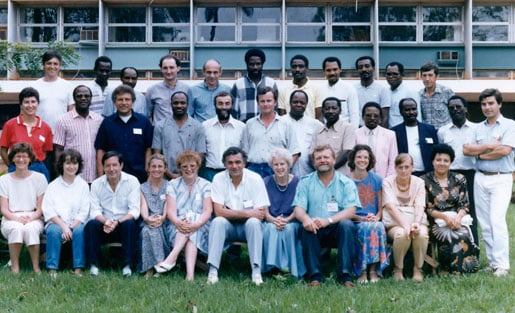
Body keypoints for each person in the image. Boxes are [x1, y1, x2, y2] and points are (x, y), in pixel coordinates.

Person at [463, 88, 514, 277]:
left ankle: (503, 265)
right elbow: (467, 150)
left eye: (491, 103)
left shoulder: (510, 126)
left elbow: (505, 151)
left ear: (499, 104)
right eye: (484, 104)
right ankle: (493, 263)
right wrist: (490, 145)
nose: (487, 107)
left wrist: (481, 153)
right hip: (480, 176)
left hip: (501, 177)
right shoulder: (477, 128)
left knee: (496, 220)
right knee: (484, 222)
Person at [293, 145, 360, 287]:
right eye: (318, 158)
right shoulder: (305, 182)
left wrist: (328, 220)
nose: (322, 160)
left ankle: (345, 275)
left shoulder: (346, 182)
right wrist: (306, 219)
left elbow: (351, 210)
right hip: (314, 226)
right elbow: (298, 208)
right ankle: (315, 276)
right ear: (314, 162)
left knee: (347, 225)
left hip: (337, 226)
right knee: (306, 226)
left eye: (326, 157)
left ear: (334, 160)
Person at [206, 147, 269, 286]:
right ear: (224, 165)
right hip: (228, 226)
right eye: (230, 163)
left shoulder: (255, 179)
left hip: (249, 227)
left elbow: (260, 214)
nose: (234, 166)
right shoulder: (218, 178)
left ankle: (256, 272)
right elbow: (219, 212)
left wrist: (233, 213)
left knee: (253, 223)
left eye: (238, 162)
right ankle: (213, 271)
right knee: (217, 222)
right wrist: (247, 213)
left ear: (245, 163)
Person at [421, 144, 479, 274]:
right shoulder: (423, 180)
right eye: (438, 160)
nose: (442, 163)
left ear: (451, 162)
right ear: (432, 161)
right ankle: (446, 268)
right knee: (446, 234)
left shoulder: (459, 179)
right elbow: (427, 208)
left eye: (446, 160)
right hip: (435, 220)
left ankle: (465, 268)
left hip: (457, 218)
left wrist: (457, 218)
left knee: (462, 233)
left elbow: (464, 205)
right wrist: (445, 218)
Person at [155, 151, 212, 281]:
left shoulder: (206, 185)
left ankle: (172, 258)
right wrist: (178, 222)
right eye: (184, 166)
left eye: (192, 165)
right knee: (190, 228)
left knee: (193, 221)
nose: (189, 169)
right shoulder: (172, 184)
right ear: (180, 168)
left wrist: (195, 224)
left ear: (198, 166)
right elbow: (170, 211)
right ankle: (189, 274)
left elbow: (207, 211)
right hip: (176, 226)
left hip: (202, 226)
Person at [86, 151, 140, 277]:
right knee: (91, 225)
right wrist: (105, 221)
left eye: (115, 165)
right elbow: (94, 210)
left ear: (121, 165)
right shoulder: (96, 184)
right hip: (104, 224)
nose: (111, 169)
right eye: (108, 166)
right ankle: (94, 265)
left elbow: (134, 210)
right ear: (103, 167)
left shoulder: (132, 181)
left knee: (130, 224)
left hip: (123, 224)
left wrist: (117, 222)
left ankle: (127, 266)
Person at [0, 143, 48, 273]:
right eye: (18, 156)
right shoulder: (4, 180)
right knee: (16, 228)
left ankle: (36, 267)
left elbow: (40, 208)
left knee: (31, 229)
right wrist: (17, 219)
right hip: (11, 217)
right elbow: (3, 209)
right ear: (13, 159)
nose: (21, 159)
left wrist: (31, 218)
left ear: (30, 159)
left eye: (25, 156)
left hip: (34, 216)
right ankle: (15, 267)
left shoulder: (40, 178)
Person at [42, 149, 89, 277]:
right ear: (61, 164)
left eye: (74, 163)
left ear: (79, 165)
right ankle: (52, 268)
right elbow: (48, 210)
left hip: (76, 223)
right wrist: (64, 227)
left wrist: (71, 227)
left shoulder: (83, 186)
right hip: (56, 223)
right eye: (67, 163)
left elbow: (84, 211)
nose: (71, 166)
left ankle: (78, 268)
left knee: (80, 231)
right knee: (53, 231)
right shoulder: (53, 186)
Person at [382, 153, 429, 282]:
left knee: (421, 234)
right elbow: (390, 207)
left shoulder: (419, 182)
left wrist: (416, 223)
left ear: (412, 167)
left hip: (415, 219)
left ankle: (418, 269)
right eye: (400, 167)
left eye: (407, 167)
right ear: (395, 168)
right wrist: (405, 226)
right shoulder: (387, 181)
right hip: (395, 222)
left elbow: (420, 206)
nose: (403, 170)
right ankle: (398, 269)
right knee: (402, 234)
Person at [437, 96, 478, 242]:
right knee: (450, 211)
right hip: (450, 176)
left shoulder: (476, 129)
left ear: (465, 108)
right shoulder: (443, 131)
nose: (455, 110)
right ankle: (451, 250)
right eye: (451, 108)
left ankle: (473, 250)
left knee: (470, 213)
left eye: (458, 107)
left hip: (470, 175)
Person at [347, 144, 389, 283]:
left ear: (370, 160)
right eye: (359, 157)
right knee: (365, 229)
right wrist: (362, 218)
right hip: (353, 219)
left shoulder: (377, 180)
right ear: (353, 159)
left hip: (373, 220)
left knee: (377, 227)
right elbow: (344, 209)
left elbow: (381, 207)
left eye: (366, 157)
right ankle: (362, 271)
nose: (362, 160)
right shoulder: (345, 180)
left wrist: (376, 218)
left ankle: (373, 269)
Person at [95, 85, 153, 183]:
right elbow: (101, 150)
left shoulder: (144, 122)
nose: (124, 103)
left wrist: (148, 171)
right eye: (120, 100)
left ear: (133, 102)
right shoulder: (107, 123)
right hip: (113, 176)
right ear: (114, 102)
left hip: (139, 176)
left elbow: (148, 148)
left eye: (127, 99)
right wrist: (101, 176)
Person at [262, 148, 306, 278]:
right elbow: (264, 210)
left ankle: (291, 268)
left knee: (289, 229)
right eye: (276, 164)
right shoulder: (265, 182)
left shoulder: (299, 182)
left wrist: (287, 220)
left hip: (293, 219)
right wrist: (273, 220)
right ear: (271, 166)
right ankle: (272, 267)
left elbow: (300, 207)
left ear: (288, 165)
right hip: (271, 219)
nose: (279, 167)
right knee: (269, 229)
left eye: (282, 164)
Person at [242, 86, 300, 177]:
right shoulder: (249, 124)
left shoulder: (285, 124)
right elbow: (244, 152)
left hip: (276, 170)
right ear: (258, 103)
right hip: (253, 169)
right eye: (262, 101)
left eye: (269, 101)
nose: (266, 104)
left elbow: (295, 151)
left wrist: (285, 170)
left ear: (275, 102)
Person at [0, 87, 53, 181]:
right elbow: (3, 150)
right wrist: (13, 166)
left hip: (39, 169)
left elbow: (46, 152)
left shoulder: (46, 128)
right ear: (21, 105)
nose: (30, 105)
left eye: (33, 102)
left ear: (38, 104)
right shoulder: (10, 125)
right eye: (26, 102)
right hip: (17, 168)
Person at [54, 85, 103, 184]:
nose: (83, 98)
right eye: (79, 96)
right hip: (72, 178)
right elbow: (58, 149)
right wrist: (61, 173)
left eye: (86, 96)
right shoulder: (63, 120)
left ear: (91, 98)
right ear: (74, 99)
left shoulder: (99, 120)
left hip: (95, 177)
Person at [152, 91, 206, 179]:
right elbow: (157, 154)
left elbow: (200, 155)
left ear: (188, 104)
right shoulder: (160, 126)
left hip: (190, 176)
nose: (179, 105)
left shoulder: (198, 126)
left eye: (182, 103)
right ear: (171, 104)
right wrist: (169, 174)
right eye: (176, 103)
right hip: (165, 177)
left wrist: (188, 172)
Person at [139, 153, 171, 278]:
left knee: (154, 229)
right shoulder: (142, 187)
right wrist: (147, 218)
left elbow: (168, 204)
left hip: (166, 218)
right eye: (153, 166)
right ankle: (153, 266)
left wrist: (163, 217)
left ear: (165, 168)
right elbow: (143, 206)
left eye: (160, 166)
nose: (157, 169)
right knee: (147, 230)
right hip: (148, 218)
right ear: (149, 168)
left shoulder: (170, 185)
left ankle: (156, 266)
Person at [202, 91, 245, 181]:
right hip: (210, 174)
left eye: (227, 104)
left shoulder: (241, 127)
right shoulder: (205, 126)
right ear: (215, 105)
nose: (224, 107)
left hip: (234, 174)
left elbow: (244, 153)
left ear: (232, 106)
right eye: (220, 104)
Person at [391, 98, 438, 176]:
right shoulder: (394, 132)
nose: (411, 112)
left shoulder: (430, 129)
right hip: (405, 174)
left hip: (428, 174)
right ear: (401, 112)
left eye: (414, 109)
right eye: (407, 110)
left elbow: (436, 152)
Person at [280, 90, 323, 177]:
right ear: (290, 103)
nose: (299, 104)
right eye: (295, 102)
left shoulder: (315, 124)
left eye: (302, 102)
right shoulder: (280, 122)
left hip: (310, 173)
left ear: (306, 104)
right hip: (285, 174)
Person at [31, 49, 74, 132]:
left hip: (61, 133)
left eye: (55, 64)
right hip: (38, 132)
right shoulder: (34, 86)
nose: (52, 67)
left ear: (60, 65)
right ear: (43, 65)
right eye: (49, 63)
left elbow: (71, 113)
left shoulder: (68, 86)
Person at [231, 48, 278, 122]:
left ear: (262, 64)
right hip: (244, 127)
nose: (255, 67)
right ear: (247, 65)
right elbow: (234, 111)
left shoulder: (271, 83)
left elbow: (275, 109)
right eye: (251, 64)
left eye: (258, 64)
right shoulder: (239, 84)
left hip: (267, 127)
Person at [355, 102, 397, 177]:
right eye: (368, 115)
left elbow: (393, 160)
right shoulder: (355, 134)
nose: (372, 118)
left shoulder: (390, 135)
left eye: (376, 116)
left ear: (380, 118)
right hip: (360, 178)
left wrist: (388, 181)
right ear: (362, 117)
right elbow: (352, 159)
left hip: (383, 178)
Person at [312, 97, 355, 170]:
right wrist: (320, 169)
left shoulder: (347, 128)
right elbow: (311, 154)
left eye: (334, 108)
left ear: (340, 110)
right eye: (327, 108)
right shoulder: (318, 131)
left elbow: (347, 152)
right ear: (322, 111)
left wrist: (329, 169)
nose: (330, 111)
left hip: (341, 175)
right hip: (320, 174)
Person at [146, 54, 191, 124]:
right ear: (161, 69)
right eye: (165, 68)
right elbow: (147, 114)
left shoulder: (188, 89)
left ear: (178, 68)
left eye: (171, 67)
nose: (168, 71)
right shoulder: (152, 90)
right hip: (160, 132)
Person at [318, 56, 359, 128]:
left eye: (335, 69)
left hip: (344, 131)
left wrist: (352, 134)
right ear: (324, 71)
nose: (332, 73)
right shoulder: (319, 89)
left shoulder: (349, 88)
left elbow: (354, 114)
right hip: (326, 131)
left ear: (340, 70)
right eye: (328, 70)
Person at [278, 54, 322, 121]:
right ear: (291, 69)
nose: (297, 69)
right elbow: (282, 117)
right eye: (294, 67)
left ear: (307, 69)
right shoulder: (283, 90)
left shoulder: (317, 89)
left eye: (301, 66)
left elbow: (319, 117)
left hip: (311, 130)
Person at [354, 56, 390, 127]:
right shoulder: (353, 89)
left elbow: (384, 117)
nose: (364, 69)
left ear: (373, 68)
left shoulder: (382, 89)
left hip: (376, 130)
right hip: (357, 130)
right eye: (360, 67)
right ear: (357, 70)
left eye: (367, 66)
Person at [418, 61, 454, 129]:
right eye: (424, 75)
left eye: (430, 75)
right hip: (427, 134)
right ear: (421, 77)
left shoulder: (447, 92)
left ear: (437, 76)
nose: (427, 79)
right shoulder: (419, 95)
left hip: (444, 134)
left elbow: (455, 113)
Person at [385, 61, 420, 128]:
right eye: (388, 74)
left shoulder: (410, 92)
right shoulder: (385, 92)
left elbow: (417, 117)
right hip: (388, 133)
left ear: (402, 74)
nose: (391, 76)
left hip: (404, 133)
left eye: (395, 74)